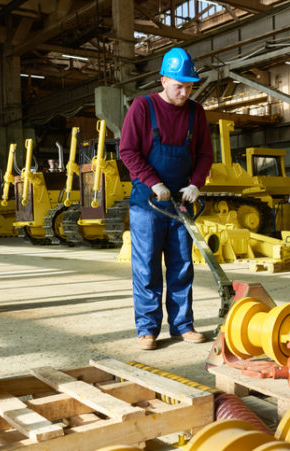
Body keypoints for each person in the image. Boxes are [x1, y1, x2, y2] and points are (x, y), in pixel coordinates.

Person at [120, 47, 214, 350]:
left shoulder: (195, 112)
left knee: (182, 265)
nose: (185, 91)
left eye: (189, 85)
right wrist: (152, 182)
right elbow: (128, 151)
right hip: (148, 202)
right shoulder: (142, 107)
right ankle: (147, 330)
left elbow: (204, 154)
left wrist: (196, 183)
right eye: (179, 85)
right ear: (163, 80)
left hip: (182, 202)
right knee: (147, 268)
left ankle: (183, 326)